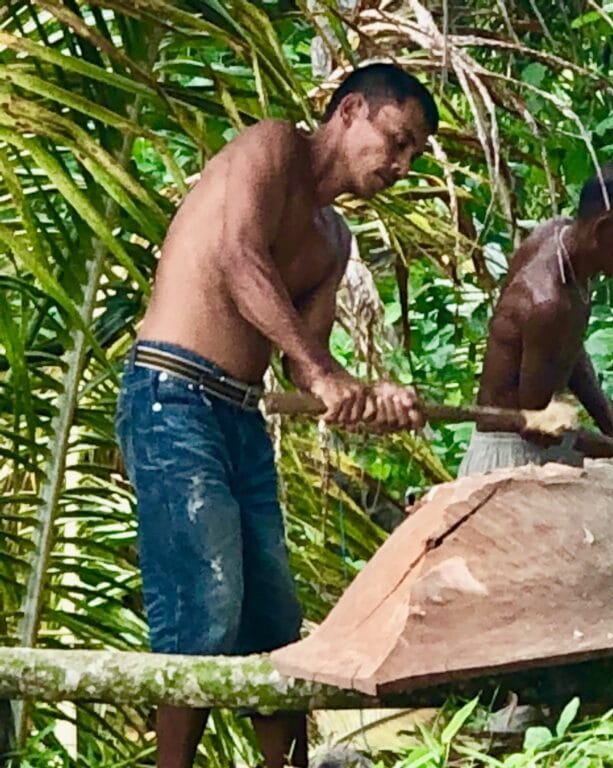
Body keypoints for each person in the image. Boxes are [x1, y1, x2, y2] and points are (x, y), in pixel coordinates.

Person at [114, 63, 438, 768]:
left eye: (413, 154)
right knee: (206, 604)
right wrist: (325, 375)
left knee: (274, 620)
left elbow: (304, 362)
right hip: (171, 396)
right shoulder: (271, 146)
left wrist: (366, 394)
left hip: (239, 414)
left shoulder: (334, 239)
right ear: (350, 110)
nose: (402, 165)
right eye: (398, 140)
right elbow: (237, 258)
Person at [458, 160, 613, 477]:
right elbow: (538, 428)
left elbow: (568, 350)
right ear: (604, 228)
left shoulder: (560, 238)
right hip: (513, 462)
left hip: (535, 450)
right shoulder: (548, 303)